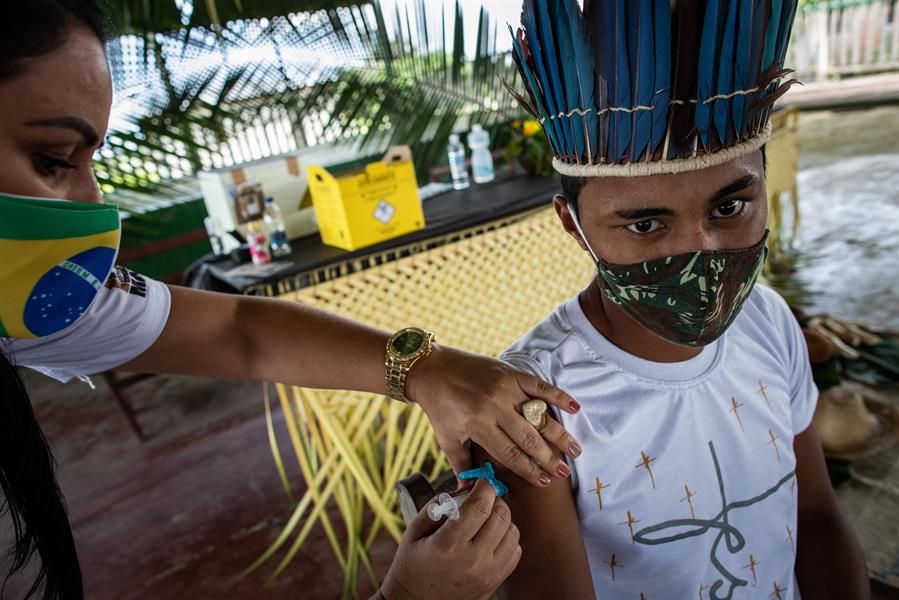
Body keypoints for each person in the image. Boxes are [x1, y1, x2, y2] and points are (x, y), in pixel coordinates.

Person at [0, 2, 581, 598]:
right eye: (52, 160)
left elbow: (237, 332)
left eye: (90, 160)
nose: (93, 202)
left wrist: (425, 369)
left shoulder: (21, 307)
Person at [480, 1, 870, 599]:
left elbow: (814, 519)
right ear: (570, 223)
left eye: (730, 207)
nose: (702, 255)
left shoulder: (768, 323)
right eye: (644, 226)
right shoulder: (530, 404)